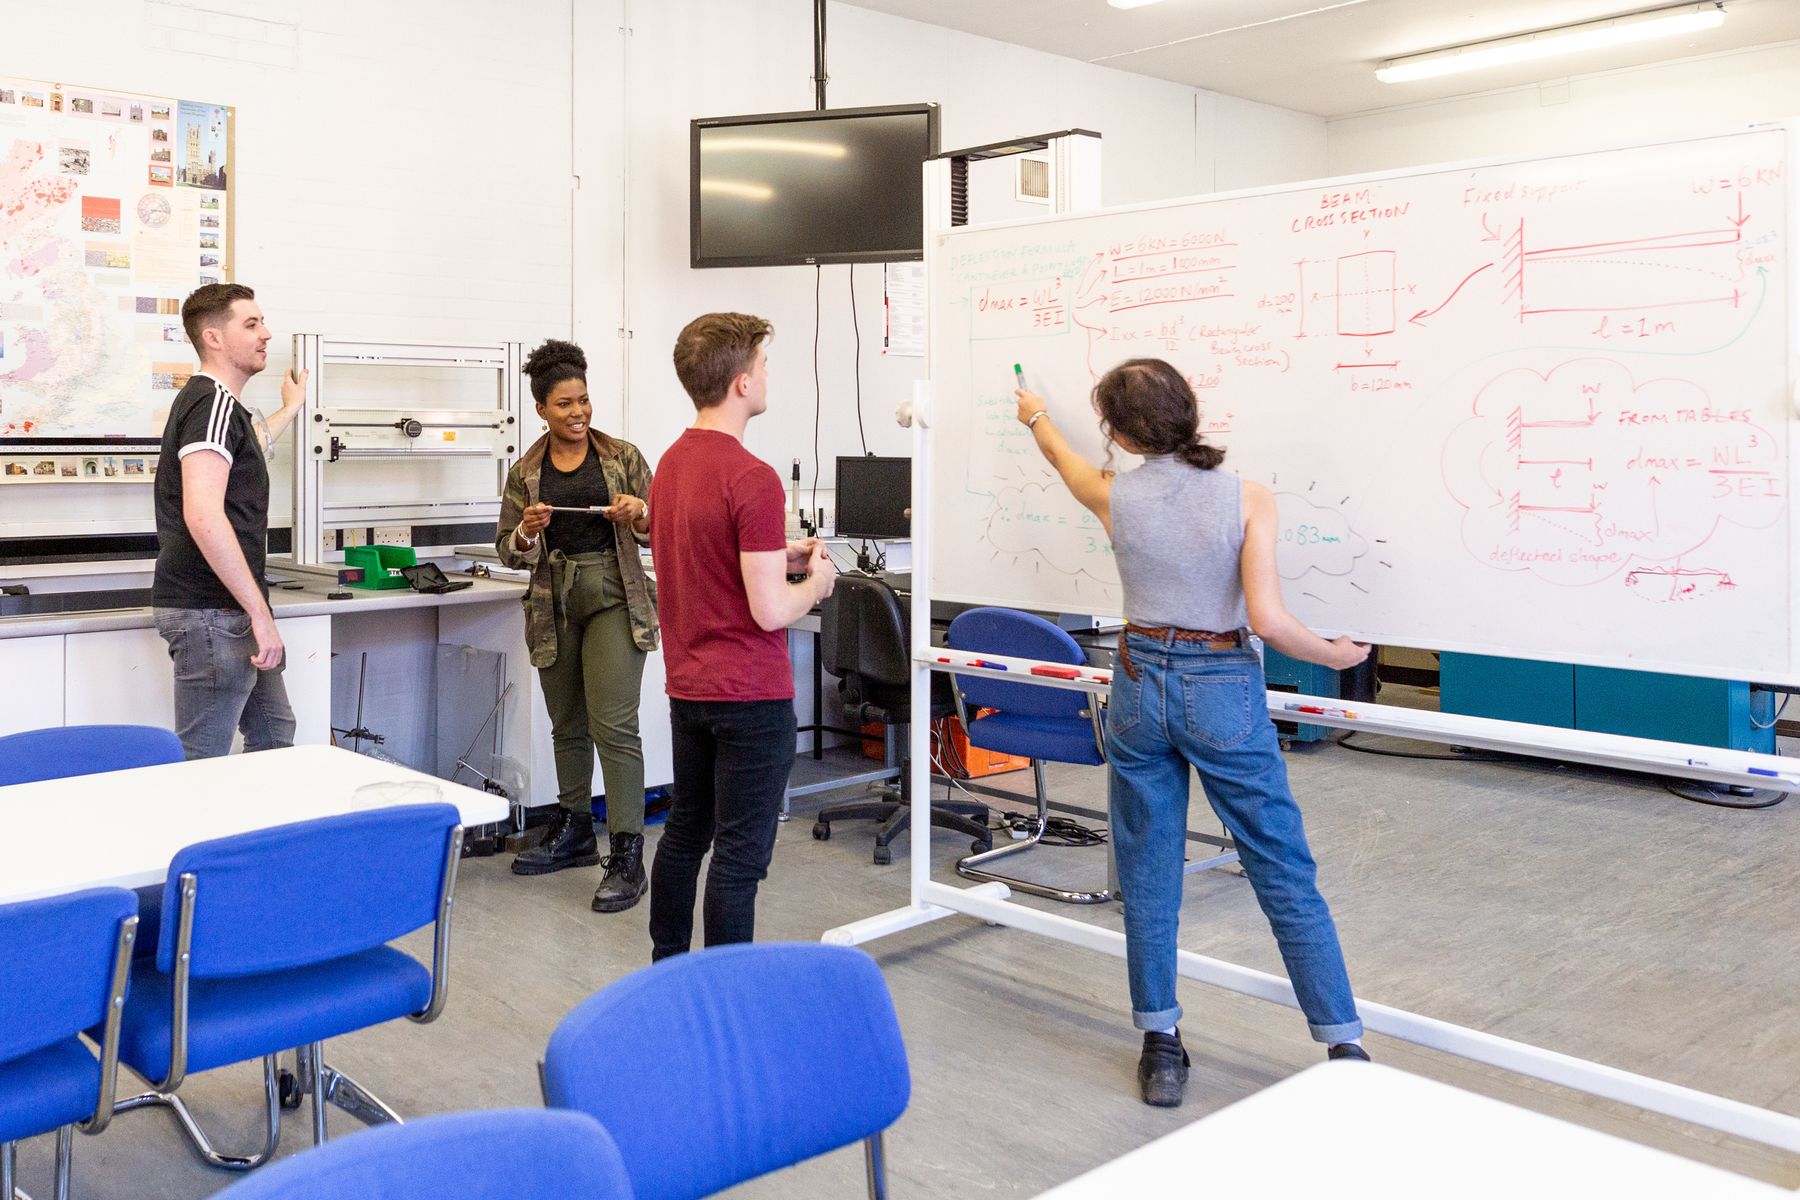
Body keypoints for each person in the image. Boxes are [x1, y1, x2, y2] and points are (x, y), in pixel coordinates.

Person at [1016, 357, 1372, 1108]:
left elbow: (1060, 457)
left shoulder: (1110, 495)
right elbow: (1270, 622)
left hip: (1139, 684)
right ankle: (1342, 1042)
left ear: (1116, 431)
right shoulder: (1247, 498)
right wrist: (1337, 656)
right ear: (1190, 411)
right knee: (1279, 863)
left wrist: (1036, 416)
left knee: (1147, 872)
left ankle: (1162, 1045)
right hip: (1220, 688)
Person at [646, 313, 836, 960]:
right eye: (762, 363)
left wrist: (776, 553)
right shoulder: (752, 477)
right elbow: (769, 611)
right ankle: (727, 993)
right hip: (750, 699)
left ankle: (667, 972)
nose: (766, 374)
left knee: (684, 834)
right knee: (738, 860)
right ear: (740, 382)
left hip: (690, 689)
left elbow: (708, 557)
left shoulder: (671, 465)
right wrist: (815, 585)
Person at [496, 339, 659, 914]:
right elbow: (508, 550)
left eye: (584, 401)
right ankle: (574, 830)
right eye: (564, 404)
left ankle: (628, 851)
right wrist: (528, 532)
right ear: (541, 408)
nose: (578, 413)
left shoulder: (622, 458)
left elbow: (662, 527)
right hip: (554, 600)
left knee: (613, 725)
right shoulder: (526, 472)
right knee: (567, 723)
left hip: (615, 595)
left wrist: (641, 514)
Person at [152, 283, 306, 760]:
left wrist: (293, 408)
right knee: (203, 759)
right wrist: (260, 614)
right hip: (211, 613)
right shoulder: (211, 403)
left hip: (224, 611)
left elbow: (249, 446)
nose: (266, 334)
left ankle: (255, 835)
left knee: (275, 737)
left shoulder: (219, 407)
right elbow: (203, 513)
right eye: (252, 324)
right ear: (214, 338)